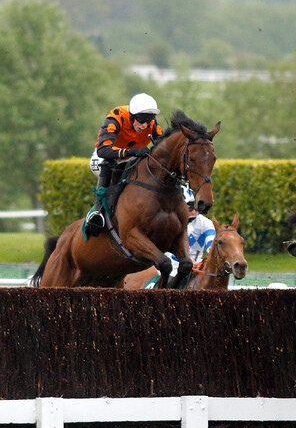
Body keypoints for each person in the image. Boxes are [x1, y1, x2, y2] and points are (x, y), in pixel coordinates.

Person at [84, 93, 164, 237]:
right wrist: (132, 151)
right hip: (106, 156)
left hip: (132, 157)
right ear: (132, 116)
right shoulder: (116, 117)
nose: (145, 125)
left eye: (149, 120)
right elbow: (103, 150)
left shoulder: (151, 124)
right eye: (141, 120)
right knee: (108, 164)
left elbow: (163, 146)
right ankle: (98, 211)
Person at [166, 185, 216, 285]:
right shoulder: (170, 222)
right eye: (190, 208)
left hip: (198, 266)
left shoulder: (206, 223)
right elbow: (166, 251)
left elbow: (212, 246)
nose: (194, 212)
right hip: (173, 266)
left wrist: (209, 259)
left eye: (196, 207)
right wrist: (186, 260)